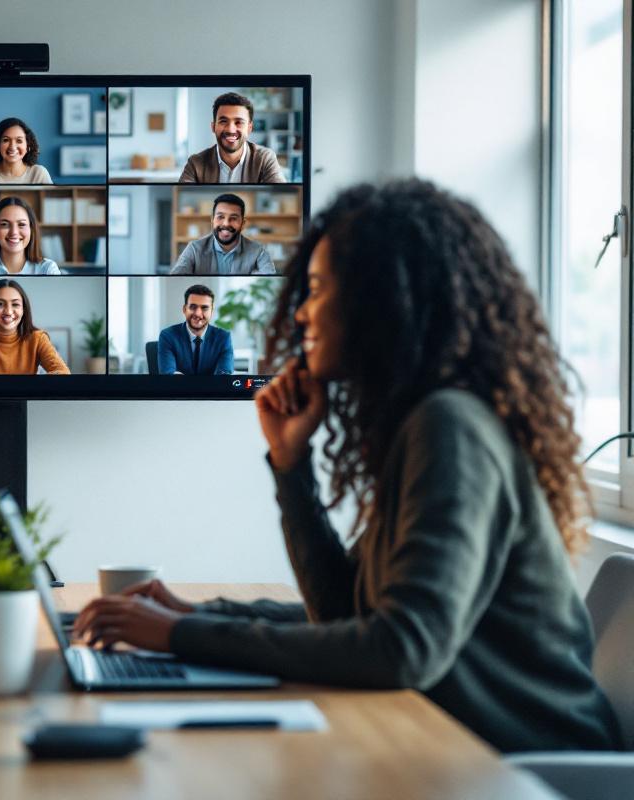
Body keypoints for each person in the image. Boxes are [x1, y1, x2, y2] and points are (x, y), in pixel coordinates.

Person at [74, 179, 622, 754]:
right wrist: (290, 464)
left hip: (534, 773)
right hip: (458, 753)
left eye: (315, 289)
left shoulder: (451, 426)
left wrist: (184, 634)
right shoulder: (418, 425)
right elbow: (345, 612)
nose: (303, 312)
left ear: (377, 299)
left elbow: (401, 648)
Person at [179, 92, 286, 184]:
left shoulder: (265, 158)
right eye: (223, 121)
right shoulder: (196, 162)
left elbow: (281, 196)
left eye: (238, 122)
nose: (230, 130)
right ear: (213, 127)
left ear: (249, 128)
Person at [170, 193, 276, 275]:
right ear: (212, 220)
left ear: (243, 224)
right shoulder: (194, 249)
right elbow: (177, 275)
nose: (226, 223)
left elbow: (270, 278)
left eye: (233, 218)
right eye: (220, 217)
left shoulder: (258, 252)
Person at [0, 197, 61, 276]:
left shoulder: (48, 270)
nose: (14, 232)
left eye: (21, 224)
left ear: (31, 230)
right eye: (4, 224)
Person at [156, 285, 234, 375]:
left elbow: (224, 375)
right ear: (184, 309)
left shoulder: (223, 338)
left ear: (212, 311)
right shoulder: (168, 336)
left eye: (204, 308)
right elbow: (168, 374)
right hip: (178, 389)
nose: (198, 314)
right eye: (193, 307)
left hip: (212, 389)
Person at [0, 117, 53, 184]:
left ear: (28, 146)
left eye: (19, 141)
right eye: (6, 140)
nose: (12, 147)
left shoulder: (39, 173)